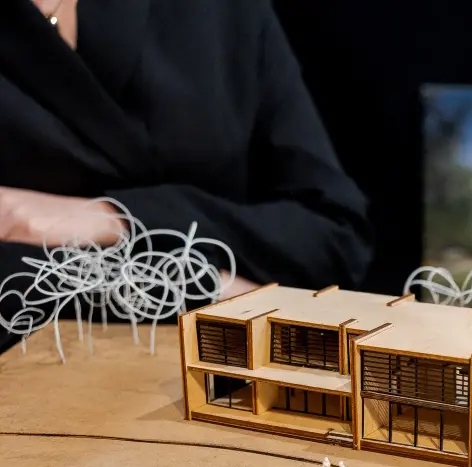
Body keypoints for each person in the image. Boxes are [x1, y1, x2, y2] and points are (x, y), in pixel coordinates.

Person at [0, 0, 373, 353]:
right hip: (42, 383)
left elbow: (334, 236)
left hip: (235, 375)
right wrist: (208, 287)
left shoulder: (221, 12)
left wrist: (118, 218)